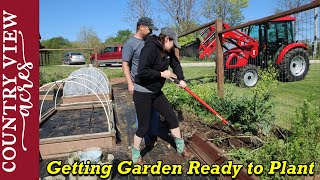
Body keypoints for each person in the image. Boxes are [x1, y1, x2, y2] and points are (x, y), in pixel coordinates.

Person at [132, 27, 194, 164]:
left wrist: (181, 79)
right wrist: (161, 74)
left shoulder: (167, 51)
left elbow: (176, 64)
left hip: (155, 92)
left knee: (171, 117)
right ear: (166, 39)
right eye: (173, 43)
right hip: (142, 92)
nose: (173, 47)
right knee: (143, 126)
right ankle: (136, 155)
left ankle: (181, 148)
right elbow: (141, 71)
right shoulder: (150, 49)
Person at [122, 17, 169, 148]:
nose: (150, 31)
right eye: (149, 29)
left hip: (153, 84)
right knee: (142, 115)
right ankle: (143, 139)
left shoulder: (150, 41)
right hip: (139, 85)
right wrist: (130, 84)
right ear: (141, 27)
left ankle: (152, 135)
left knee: (154, 112)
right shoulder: (130, 44)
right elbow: (125, 65)